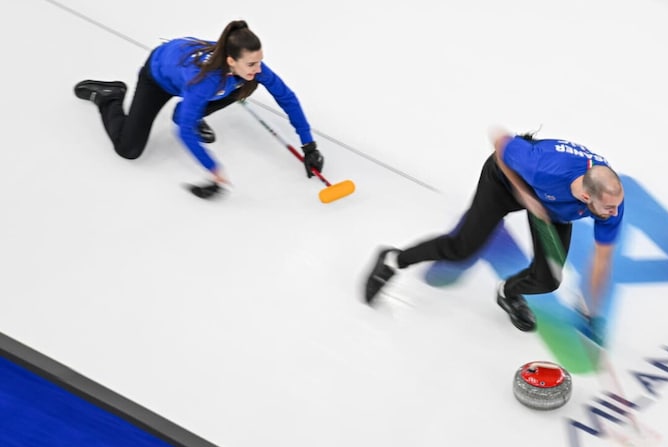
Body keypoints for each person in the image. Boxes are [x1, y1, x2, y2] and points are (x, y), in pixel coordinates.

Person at [363, 128, 624, 332]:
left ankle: (507, 293)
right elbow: (500, 140)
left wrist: (592, 307)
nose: (615, 213)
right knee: (461, 249)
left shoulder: (610, 199)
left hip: (552, 207)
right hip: (505, 183)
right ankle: (393, 260)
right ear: (587, 197)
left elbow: (602, 258)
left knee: (548, 279)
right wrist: (526, 196)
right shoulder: (544, 167)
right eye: (609, 208)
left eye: (616, 206)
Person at [73, 20, 324, 198]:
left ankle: (189, 111)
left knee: (247, 85)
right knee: (128, 149)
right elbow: (183, 132)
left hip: (190, 78)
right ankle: (110, 97)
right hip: (158, 76)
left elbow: (287, 98)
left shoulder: (248, 69)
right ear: (231, 60)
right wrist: (213, 169)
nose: (259, 68)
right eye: (251, 63)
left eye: (260, 61)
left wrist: (309, 145)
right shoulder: (205, 81)